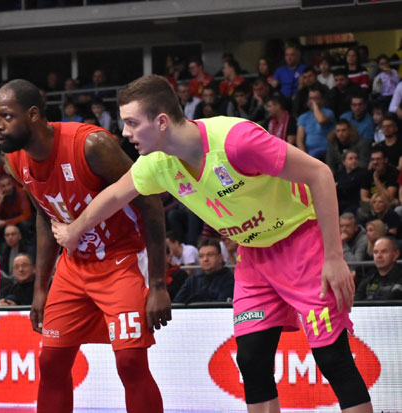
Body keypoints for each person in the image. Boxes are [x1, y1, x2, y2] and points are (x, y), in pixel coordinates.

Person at [52, 74, 372, 413]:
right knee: (251, 359)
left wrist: (334, 258)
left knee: (332, 358)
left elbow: (320, 174)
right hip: (253, 255)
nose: (125, 133)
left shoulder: (236, 141)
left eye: (132, 123)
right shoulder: (157, 163)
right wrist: (74, 231)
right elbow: (115, 195)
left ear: (162, 121)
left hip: (302, 242)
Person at [0, 79, 169, 413]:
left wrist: (158, 284)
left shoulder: (91, 145)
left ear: (33, 115)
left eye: (6, 116)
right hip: (73, 266)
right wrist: (40, 289)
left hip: (122, 259)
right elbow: (45, 216)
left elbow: (150, 203)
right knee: (51, 362)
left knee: (130, 362)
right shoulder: (15, 160)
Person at [172, 238, 234, 304]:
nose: (205, 259)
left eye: (210, 255)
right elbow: (177, 302)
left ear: (220, 257)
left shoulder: (230, 279)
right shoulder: (192, 280)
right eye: (201, 256)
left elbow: (221, 305)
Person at [297, 87, 335, 160]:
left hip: (326, 150)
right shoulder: (303, 117)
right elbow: (299, 140)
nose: (312, 101)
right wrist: (304, 156)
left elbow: (321, 120)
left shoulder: (329, 112)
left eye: (315, 98)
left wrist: (315, 106)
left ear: (322, 100)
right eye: (311, 98)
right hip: (309, 151)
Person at [335, 149, 367, 215]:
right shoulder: (339, 174)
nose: (354, 161)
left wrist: (339, 185)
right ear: (344, 161)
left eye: (356, 158)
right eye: (350, 159)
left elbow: (351, 185)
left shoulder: (363, 173)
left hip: (355, 203)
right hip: (340, 203)